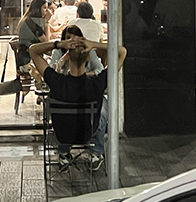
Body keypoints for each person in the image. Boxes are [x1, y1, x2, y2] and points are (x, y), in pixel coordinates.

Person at [29, 35, 126, 171]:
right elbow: (122, 51)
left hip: (62, 135)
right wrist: (94, 44)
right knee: (104, 106)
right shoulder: (97, 83)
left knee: (66, 120)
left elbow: (33, 50)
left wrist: (59, 44)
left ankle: (64, 153)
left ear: (68, 57)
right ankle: (96, 153)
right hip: (87, 134)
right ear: (88, 58)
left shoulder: (56, 81)